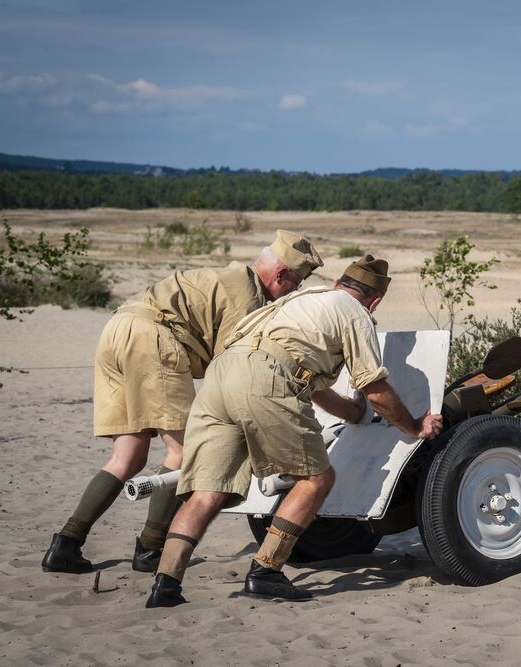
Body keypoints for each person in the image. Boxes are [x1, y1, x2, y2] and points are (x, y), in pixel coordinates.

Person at [144, 255, 444, 607]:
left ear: (337, 283)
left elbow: (308, 381)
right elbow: (375, 391)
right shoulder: (355, 312)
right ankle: (266, 571)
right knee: (316, 479)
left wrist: (350, 411)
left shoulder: (300, 300)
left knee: (207, 492)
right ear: (374, 301)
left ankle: (165, 583)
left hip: (220, 377)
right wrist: (415, 426)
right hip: (264, 378)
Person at [42, 230, 323, 575]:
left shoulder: (230, 276)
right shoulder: (248, 297)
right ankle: (151, 548)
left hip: (117, 330)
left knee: (127, 457)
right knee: (185, 452)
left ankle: (66, 544)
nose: (294, 291)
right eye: (296, 283)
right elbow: (232, 366)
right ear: (280, 274)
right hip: (153, 339)